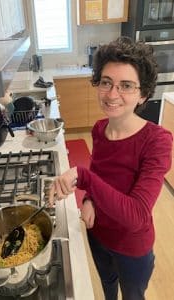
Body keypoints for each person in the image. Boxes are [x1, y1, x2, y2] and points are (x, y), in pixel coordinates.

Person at [49, 37, 173, 300]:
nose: (112, 94)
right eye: (106, 82)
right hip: (98, 233)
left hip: (131, 247)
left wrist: (83, 178)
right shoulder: (99, 129)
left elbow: (137, 215)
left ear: (144, 94)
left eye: (126, 86)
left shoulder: (157, 142)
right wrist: (91, 199)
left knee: (132, 296)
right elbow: (99, 172)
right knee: (107, 286)